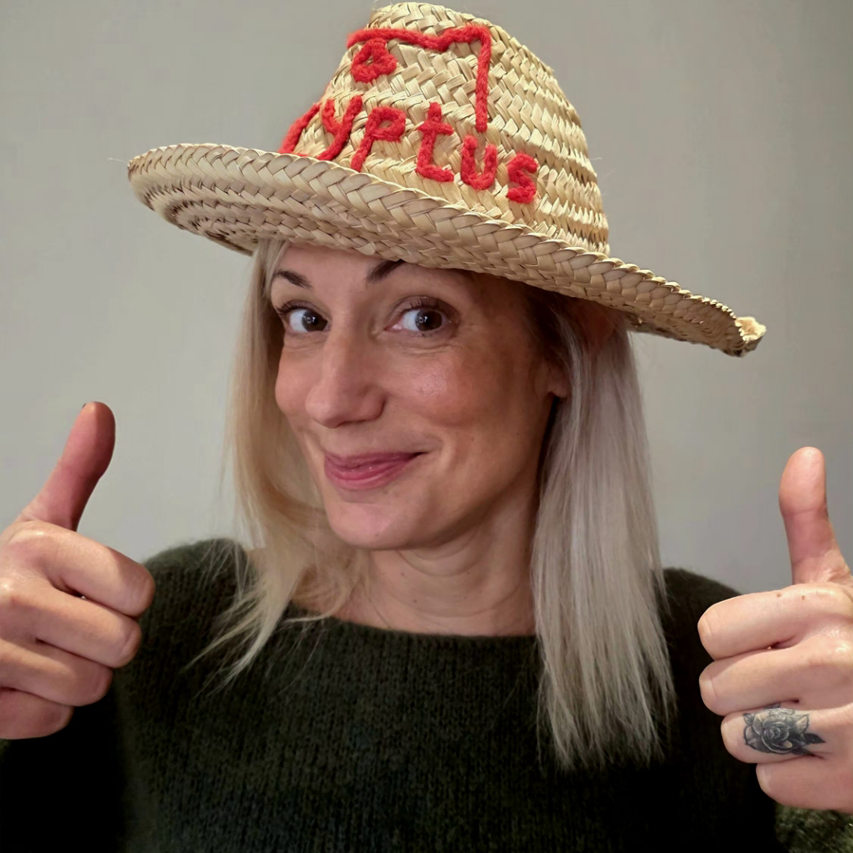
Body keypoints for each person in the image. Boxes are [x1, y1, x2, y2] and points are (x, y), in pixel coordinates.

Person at [1, 3, 851, 850]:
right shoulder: (150, 639)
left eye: (421, 316)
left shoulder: (745, 686)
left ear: (563, 349)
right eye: (304, 317)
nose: (330, 399)